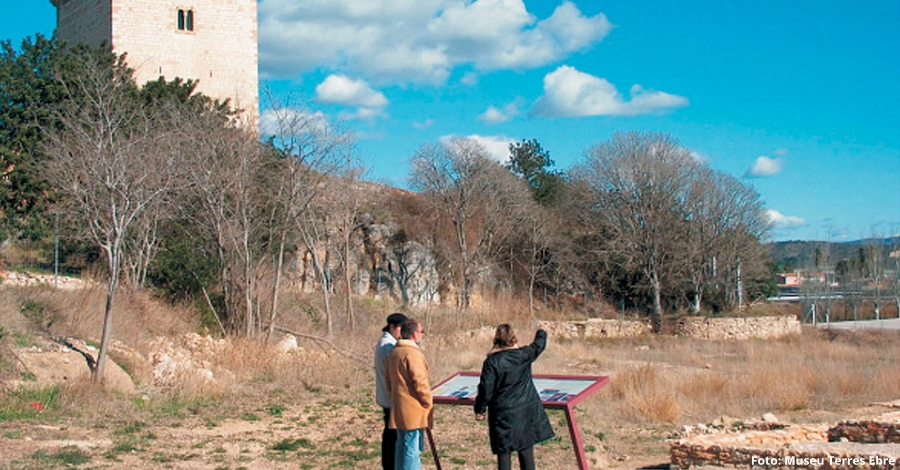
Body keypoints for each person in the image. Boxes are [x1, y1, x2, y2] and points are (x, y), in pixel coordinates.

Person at [474, 323, 554, 470]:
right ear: (513, 338)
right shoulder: (523, 355)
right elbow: (538, 345)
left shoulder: (492, 361)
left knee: (504, 453)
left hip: (502, 413)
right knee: (526, 452)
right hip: (525, 410)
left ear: (496, 339)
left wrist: (480, 409)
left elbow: (486, 388)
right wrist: (542, 331)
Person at [386, 319, 433, 470]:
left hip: (399, 405)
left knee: (401, 444)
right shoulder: (411, 353)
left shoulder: (395, 352)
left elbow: (388, 381)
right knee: (412, 448)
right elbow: (420, 382)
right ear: (414, 334)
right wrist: (428, 402)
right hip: (413, 407)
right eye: (421, 331)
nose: (422, 334)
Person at [374, 313, 408, 470]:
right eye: (401, 327)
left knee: (390, 435)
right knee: (392, 438)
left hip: (388, 397)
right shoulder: (388, 346)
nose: (403, 331)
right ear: (392, 327)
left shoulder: (388, 343)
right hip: (391, 399)